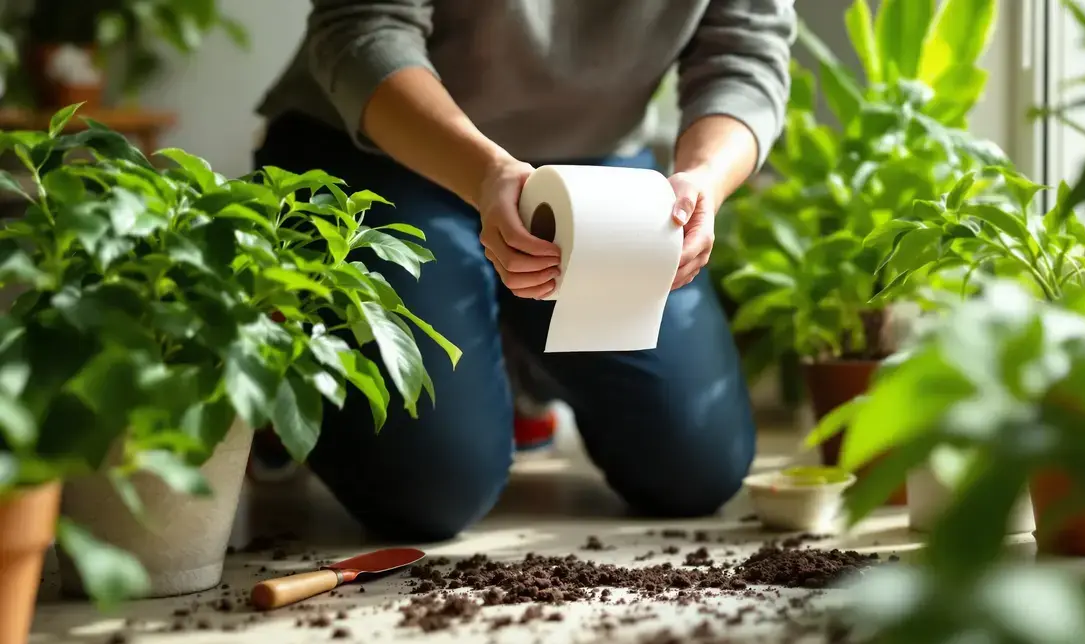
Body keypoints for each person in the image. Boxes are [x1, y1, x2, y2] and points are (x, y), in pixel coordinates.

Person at [252, 0, 797, 541]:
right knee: (430, 492)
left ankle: (512, 365)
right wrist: (484, 174)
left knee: (696, 467)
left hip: (592, 161)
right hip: (378, 144)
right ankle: (282, 383)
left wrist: (704, 178)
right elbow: (364, 28)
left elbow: (745, 52)